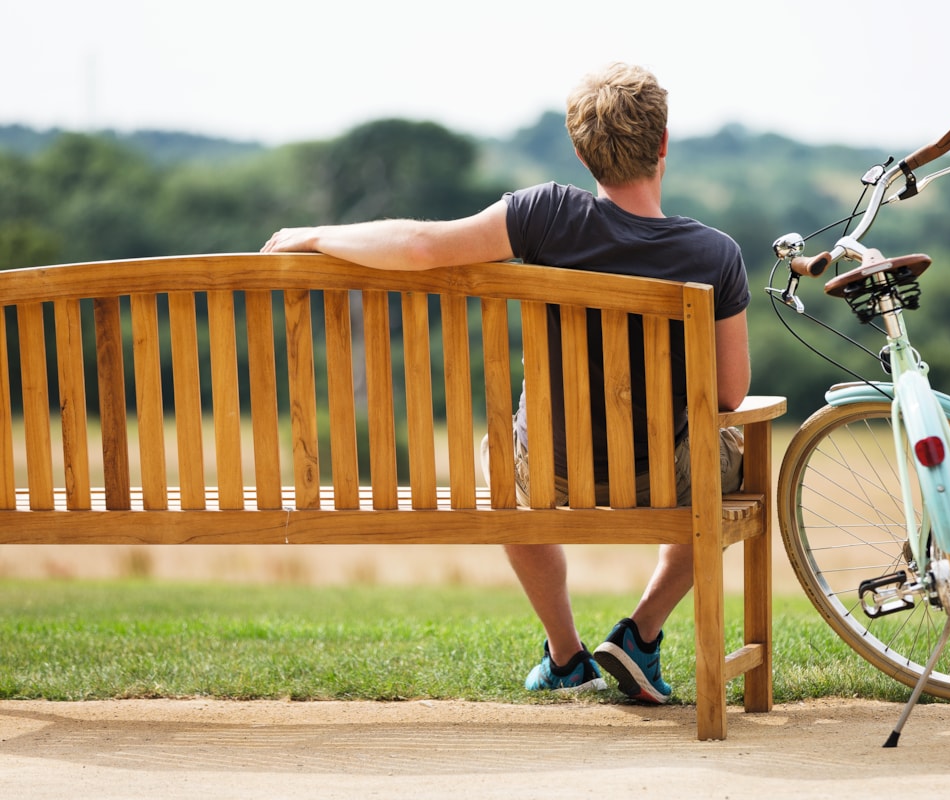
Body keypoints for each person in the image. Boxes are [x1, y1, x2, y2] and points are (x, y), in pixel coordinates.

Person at [262, 62, 751, 704]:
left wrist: (317, 234)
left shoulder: (546, 216)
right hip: (660, 475)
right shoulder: (714, 254)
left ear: (581, 152)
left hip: (545, 471)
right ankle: (642, 631)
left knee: (496, 461)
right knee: (736, 461)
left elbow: (417, 246)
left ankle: (567, 654)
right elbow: (730, 395)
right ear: (663, 145)